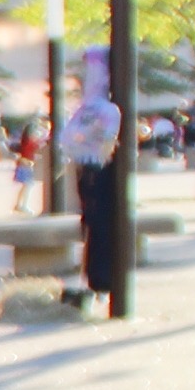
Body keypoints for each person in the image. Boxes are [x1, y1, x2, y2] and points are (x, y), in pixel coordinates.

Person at [60, 86, 122, 296]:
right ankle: (100, 278)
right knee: (99, 223)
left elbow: (68, 138)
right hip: (99, 169)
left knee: (92, 222)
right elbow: (108, 140)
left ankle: (95, 276)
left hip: (87, 169)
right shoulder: (107, 111)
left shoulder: (85, 111)